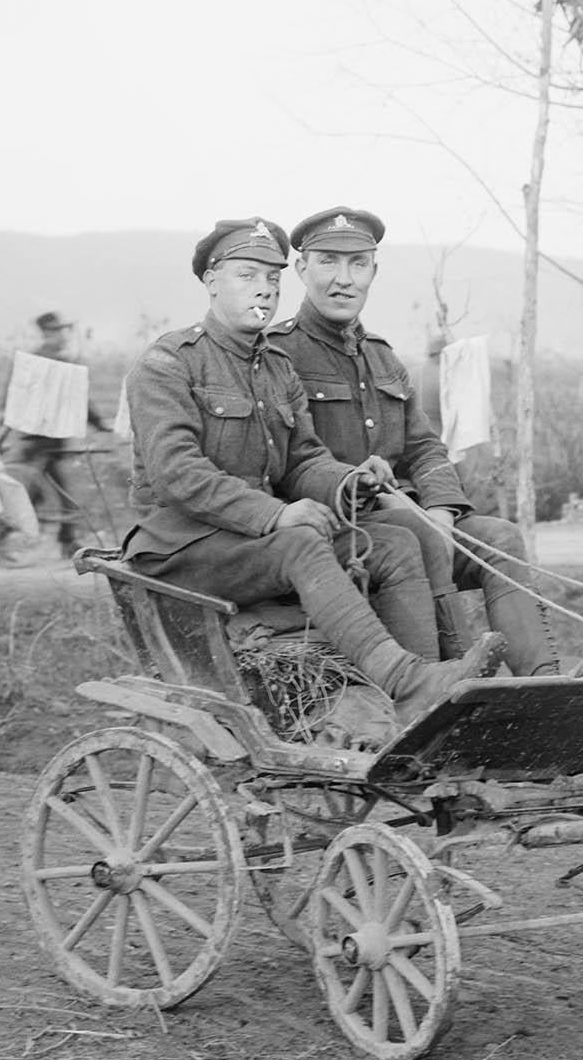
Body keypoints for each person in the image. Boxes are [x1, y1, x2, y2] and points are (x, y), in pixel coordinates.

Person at [122, 217, 504, 727]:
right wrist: (276, 515)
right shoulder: (169, 363)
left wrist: (349, 481)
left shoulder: (276, 368)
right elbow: (176, 473)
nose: (264, 288)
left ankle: (425, 702)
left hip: (248, 543)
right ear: (211, 280)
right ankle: (405, 681)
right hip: (183, 548)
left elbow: (303, 459)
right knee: (301, 540)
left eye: (273, 279)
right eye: (247, 275)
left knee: (394, 544)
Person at [270, 206, 583, 676]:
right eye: (328, 262)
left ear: (373, 271)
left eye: (358, 264)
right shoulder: (278, 355)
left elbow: (426, 448)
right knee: (415, 540)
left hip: (411, 520)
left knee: (500, 538)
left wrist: (443, 514)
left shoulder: (383, 359)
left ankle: (542, 680)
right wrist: (394, 509)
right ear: (302, 269)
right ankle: (444, 685)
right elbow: (290, 463)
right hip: (337, 529)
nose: (343, 279)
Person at [0, 310, 106, 559]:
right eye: (57, 331)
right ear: (47, 333)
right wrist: (99, 424)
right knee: (48, 494)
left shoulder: (46, 359)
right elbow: (80, 399)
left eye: (63, 331)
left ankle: (65, 541)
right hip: (37, 441)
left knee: (44, 493)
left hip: (50, 439)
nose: (62, 336)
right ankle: (2, 535)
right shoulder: (44, 362)